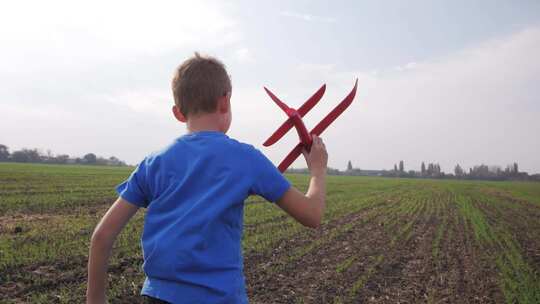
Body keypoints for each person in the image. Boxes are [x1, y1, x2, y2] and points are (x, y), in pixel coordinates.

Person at [86, 53, 328, 304]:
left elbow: (102, 236)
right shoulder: (247, 159)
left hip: (159, 297)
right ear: (225, 102)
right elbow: (312, 214)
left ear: (178, 113)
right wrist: (318, 169)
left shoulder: (153, 164)